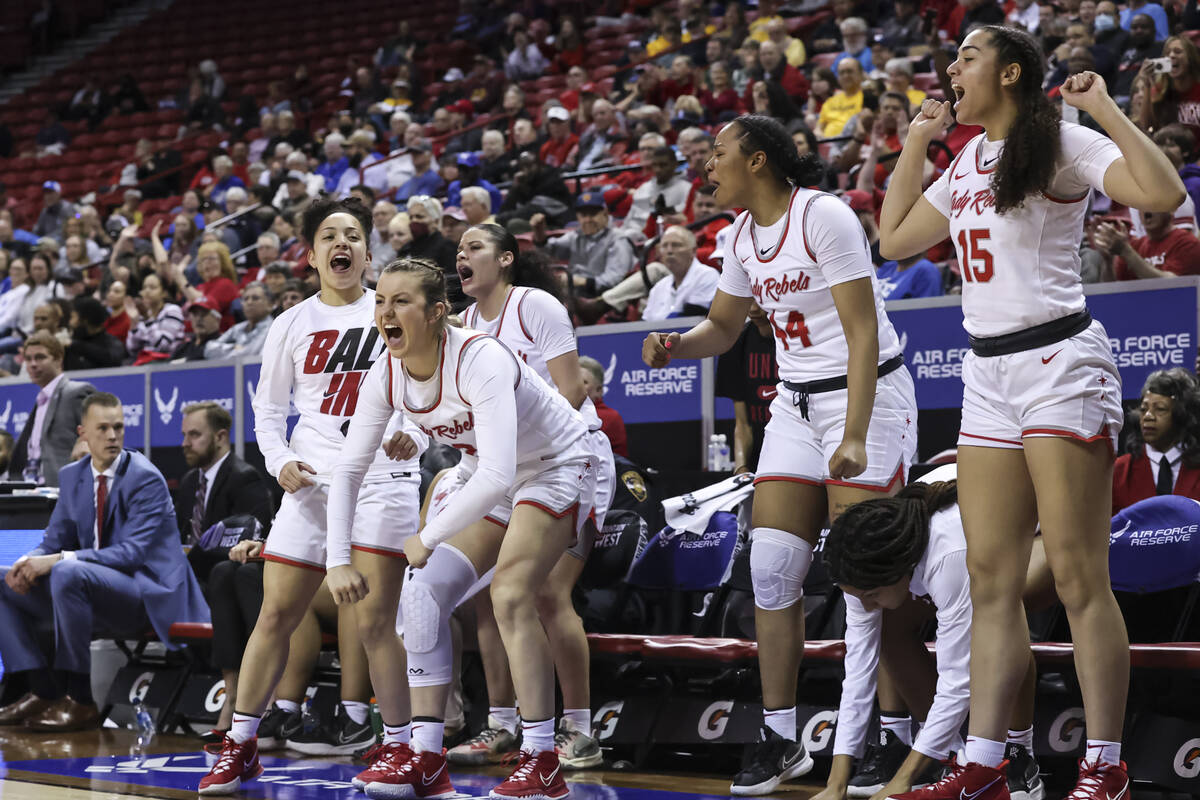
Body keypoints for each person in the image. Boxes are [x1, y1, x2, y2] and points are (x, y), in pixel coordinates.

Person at [877, 24, 1185, 800]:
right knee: (991, 580)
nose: (951, 71)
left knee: (1080, 575)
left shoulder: (1062, 141)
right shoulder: (966, 159)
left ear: (1010, 72)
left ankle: (1105, 762)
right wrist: (917, 142)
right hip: (987, 373)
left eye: (967, 59)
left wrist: (1109, 109)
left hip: (1060, 363)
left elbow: (1162, 193)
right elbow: (894, 238)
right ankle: (987, 760)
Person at [643, 113, 918, 795]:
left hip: (868, 395)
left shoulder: (822, 216)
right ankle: (781, 736)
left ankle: (895, 735)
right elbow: (726, 327)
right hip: (795, 403)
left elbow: (860, 334)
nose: (707, 165)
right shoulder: (739, 234)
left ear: (759, 160)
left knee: (867, 576)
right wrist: (679, 343)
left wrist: (851, 434)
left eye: (719, 153)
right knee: (770, 567)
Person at [325, 257, 593, 800]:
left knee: (513, 594)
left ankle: (542, 760)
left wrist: (427, 537)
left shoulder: (481, 357)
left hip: (556, 462)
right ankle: (425, 757)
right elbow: (350, 469)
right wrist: (336, 559)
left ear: (437, 312)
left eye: (401, 301)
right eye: (380, 301)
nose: (385, 312)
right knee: (422, 595)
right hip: (487, 473)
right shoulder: (386, 372)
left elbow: (498, 474)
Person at [198, 198, 424, 796]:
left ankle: (400, 746)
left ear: (369, 253)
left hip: (379, 481)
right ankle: (241, 744)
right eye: (329, 235)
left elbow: (439, 392)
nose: (341, 242)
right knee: (275, 614)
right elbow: (267, 412)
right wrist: (280, 462)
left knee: (375, 621)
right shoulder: (292, 322)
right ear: (312, 255)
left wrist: (418, 431)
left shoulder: (397, 313)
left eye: (353, 234)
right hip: (313, 485)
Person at [448, 225, 614, 770]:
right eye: (459, 249)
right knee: (487, 592)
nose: (461, 255)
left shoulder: (535, 305)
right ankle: (502, 722)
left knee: (546, 593)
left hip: (571, 456)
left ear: (505, 259)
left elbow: (570, 391)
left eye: (473, 247)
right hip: (508, 467)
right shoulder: (466, 324)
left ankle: (578, 729)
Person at [815, 467, 1043, 800]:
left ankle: (1019, 754)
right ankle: (950, 757)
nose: (865, 606)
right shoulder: (861, 566)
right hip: (976, 540)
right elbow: (858, 672)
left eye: (871, 595)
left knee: (1002, 618)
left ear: (895, 570)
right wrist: (835, 784)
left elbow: (957, 679)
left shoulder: (948, 555)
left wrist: (903, 778)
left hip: (1043, 540)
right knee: (887, 629)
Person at [0, 393, 209, 731]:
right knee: (4, 580)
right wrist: (29, 560)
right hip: (91, 590)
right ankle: (41, 689)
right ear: (83, 432)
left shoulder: (145, 477)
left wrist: (59, 559)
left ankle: (80, 699)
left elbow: (132, 554)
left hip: (146, 592)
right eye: (103, 428)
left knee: (68, 572)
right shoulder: (72, 476)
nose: (113, 436)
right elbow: (54, 540)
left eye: (119, 428)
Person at [6, 331, 94, 485]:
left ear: (58, 359)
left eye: (40, 357)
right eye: (28, 359)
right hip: (32, 488)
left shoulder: (76, 392)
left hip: (61, 489)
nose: (33, 364)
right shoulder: (41, 399)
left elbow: (94, 440)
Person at [1112, 368, 1200, 512]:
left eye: (1160, 409)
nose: (1148, 416)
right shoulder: (1118, 472)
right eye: (1143, 409)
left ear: (1182, 415)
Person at [532, 193, 637, 300]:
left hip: (601, 297)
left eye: (593, 214)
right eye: (583, 215)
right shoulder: (576, 236)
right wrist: (539, 232)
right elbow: (548, 252)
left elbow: (616, 278)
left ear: (605, 213)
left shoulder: (618, 239)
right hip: (574, 292)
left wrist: (580, 281)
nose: (587, 220)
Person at [715, 302, 777, 474]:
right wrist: (741, 468)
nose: (753, 309)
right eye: (749, 301)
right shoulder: (736, 344)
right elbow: (743, 424)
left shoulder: (799, 344)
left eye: (760, 301)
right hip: (760, 461)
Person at [640, 226, 721, 320]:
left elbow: (691, 318)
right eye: (664, 246)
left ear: (693, 251)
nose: (669, 251)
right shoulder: (658, 287)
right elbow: (645, 324)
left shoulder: (707, 275)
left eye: (676, 245)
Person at [1092, 209, 1200, 279]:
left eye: (1153, 204)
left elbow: (1171, 286)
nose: (1147, 210)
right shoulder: (1134, 245)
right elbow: (1114, 290)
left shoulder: (1187, 243)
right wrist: (1108, 261)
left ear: (1170, 209)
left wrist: (1125, 251)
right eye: (1142, 206)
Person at [204, 282, 275, 359]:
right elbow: (209, 349)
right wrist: (233, 347)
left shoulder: (273, 328)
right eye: (245, 299)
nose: (249, 302)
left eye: (255, 298)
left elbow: (249, 354)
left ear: (270, 305)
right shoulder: (237, 328)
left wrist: (225, 352)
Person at [126, 273, 186, 360]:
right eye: (144, 287)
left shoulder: (172, 310)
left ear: (164, 293)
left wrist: (147, 318)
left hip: (167, 363)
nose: (147, 291)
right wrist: (133, 322)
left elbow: (162, 346)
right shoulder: (143, 314)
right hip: (145, 362)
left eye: (152, 287)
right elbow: (131, 349)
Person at [580, 355, 628, 459]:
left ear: (599, 390)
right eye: (573, 381)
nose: (576, 386)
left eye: (584, 382)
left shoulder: (610, 417)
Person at [65, 296, 126, 370]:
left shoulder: (112, 343)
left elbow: (113, 361)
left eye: (73, 317)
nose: (70, 323)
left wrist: (77, 345)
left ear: (86, 320)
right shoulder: (69, 344)